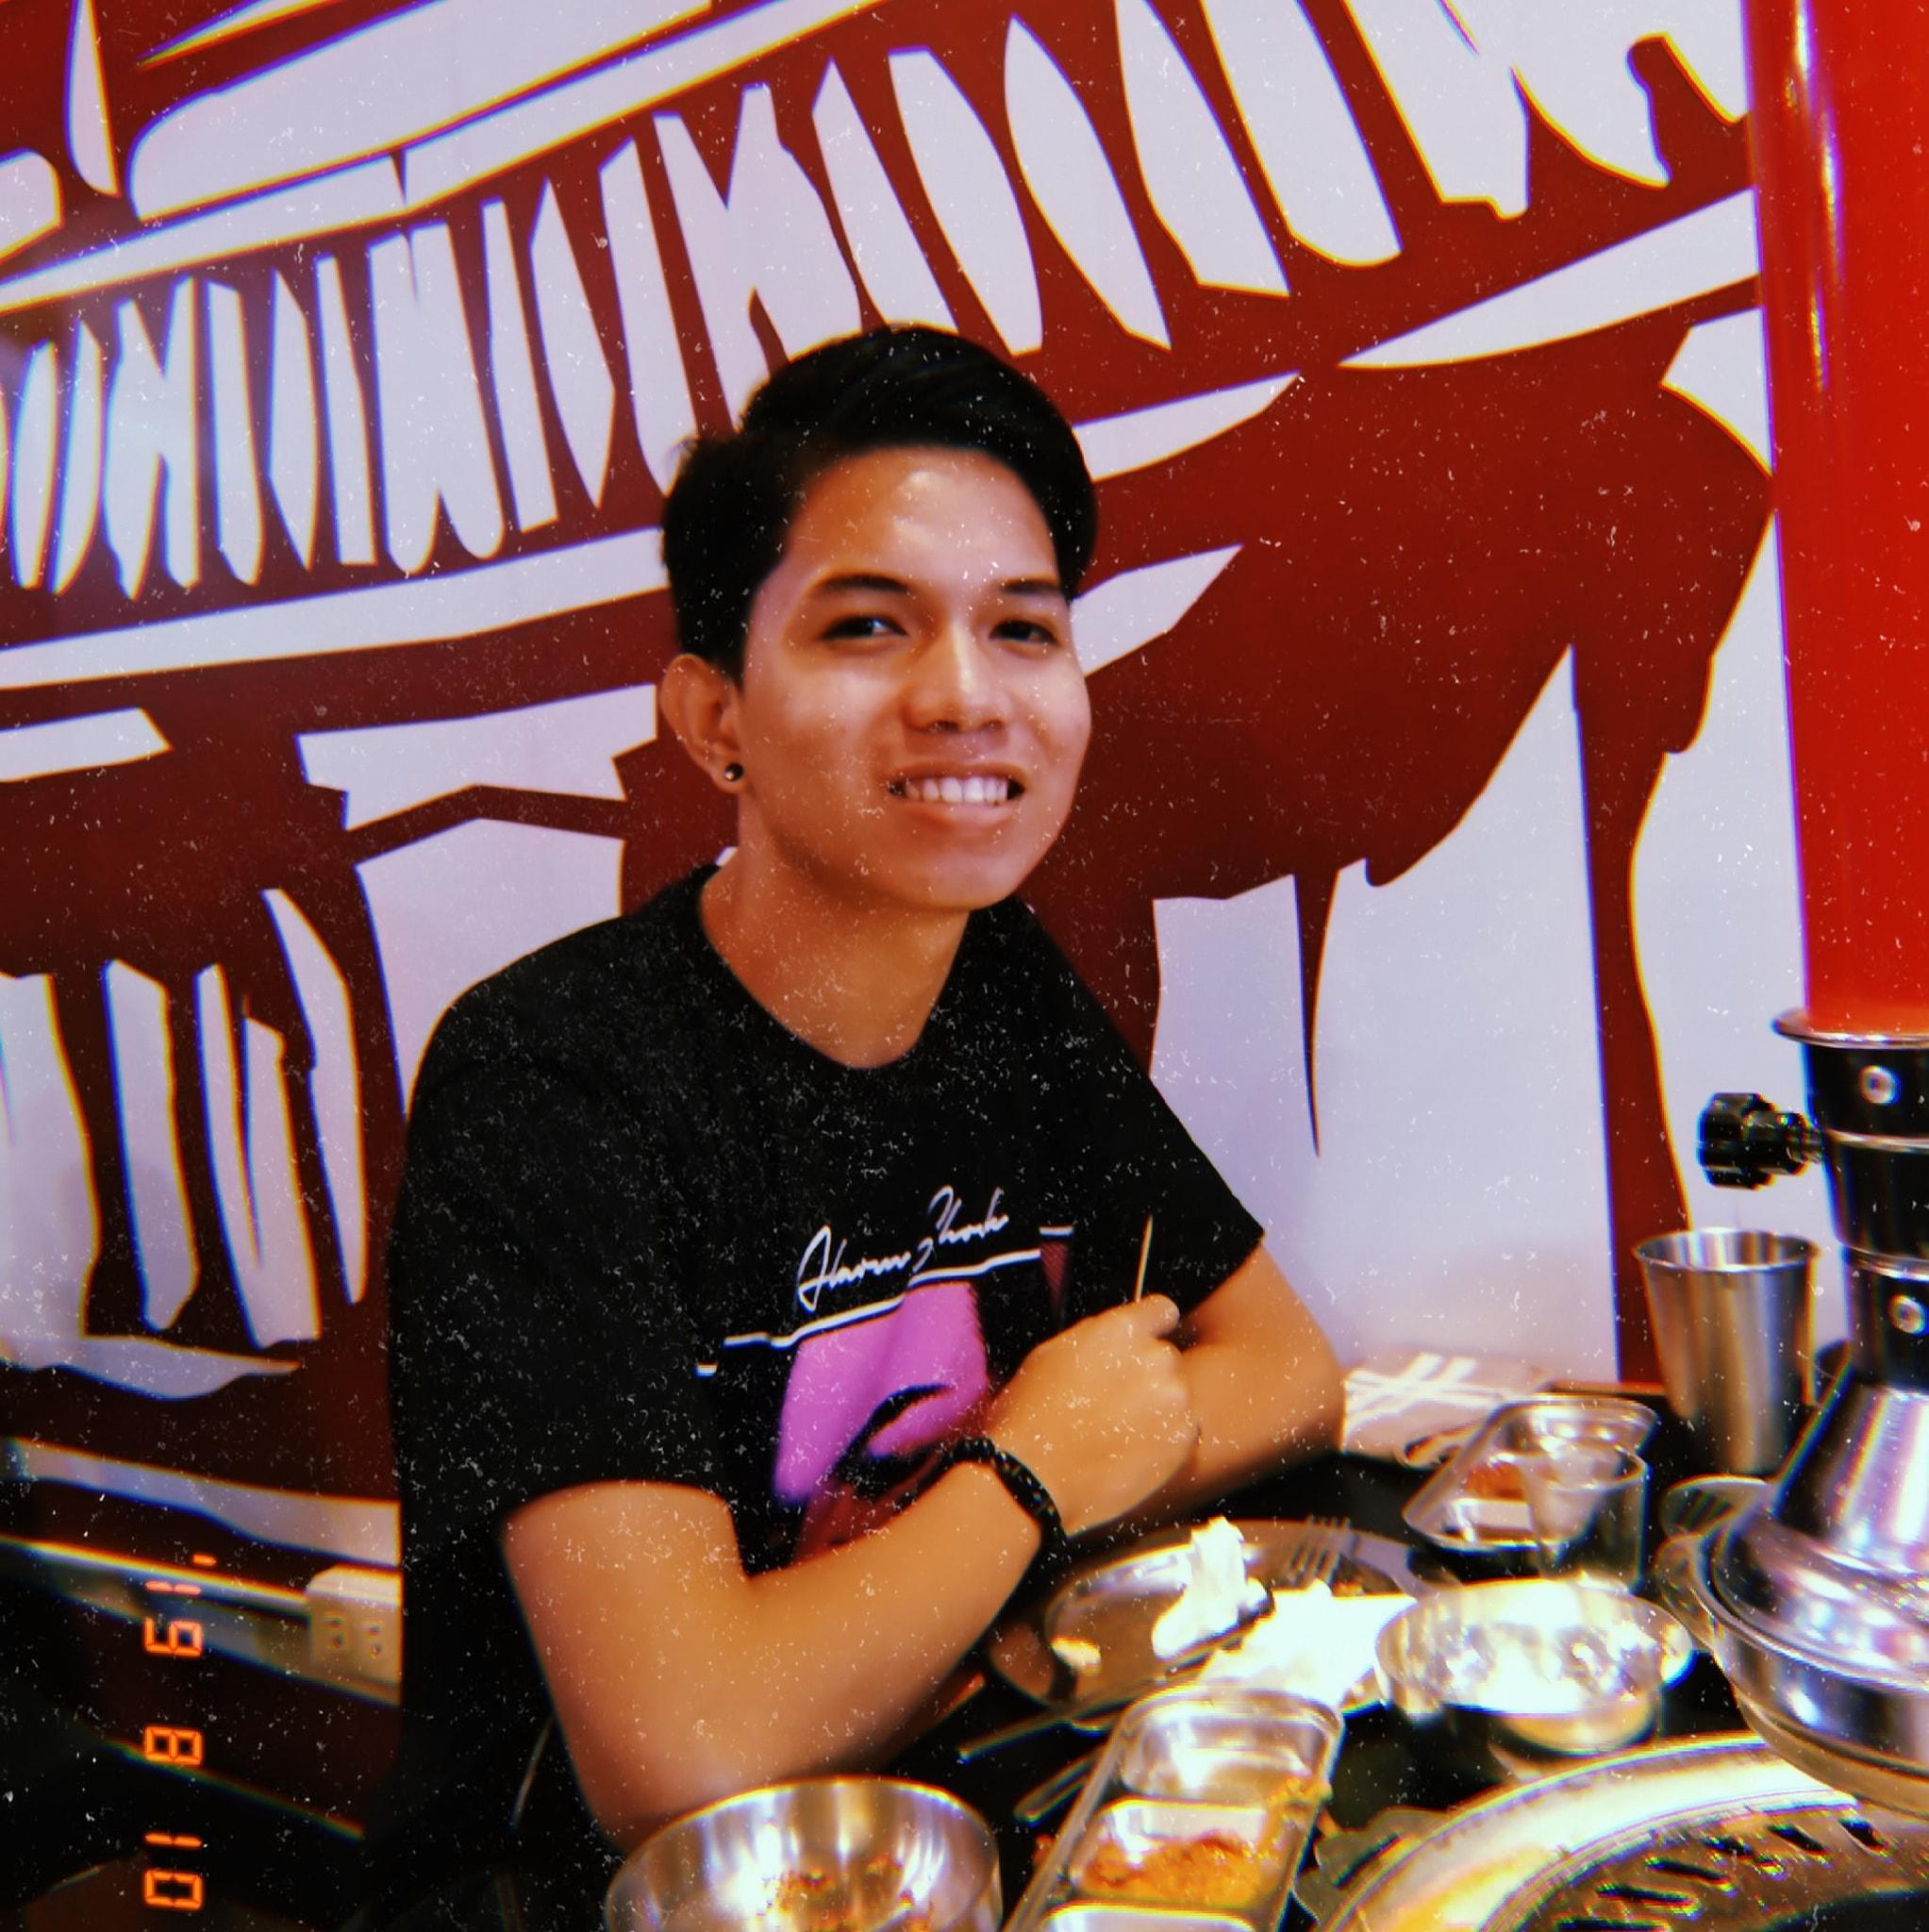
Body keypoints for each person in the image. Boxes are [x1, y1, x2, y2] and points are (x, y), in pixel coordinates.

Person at [372, 326, 1341, 1910]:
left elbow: (1286, 1374)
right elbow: (688, 1753)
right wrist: (1030, 1470)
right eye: (867, 626)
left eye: (1022, 629)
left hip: (922, 1832)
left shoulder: (1002, 987)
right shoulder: (551, 1075)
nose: (965, 696)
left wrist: (936, 1552)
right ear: (713, 719)